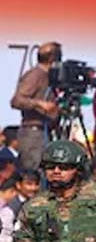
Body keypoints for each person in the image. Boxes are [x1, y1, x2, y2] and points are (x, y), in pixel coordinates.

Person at [10, 42, 62, 171]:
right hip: (33, 132)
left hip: (45, 131)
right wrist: (39, 104)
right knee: (35, 171)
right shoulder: (35, 75)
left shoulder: (49, 77)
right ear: (52, 58)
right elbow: (16, 100)